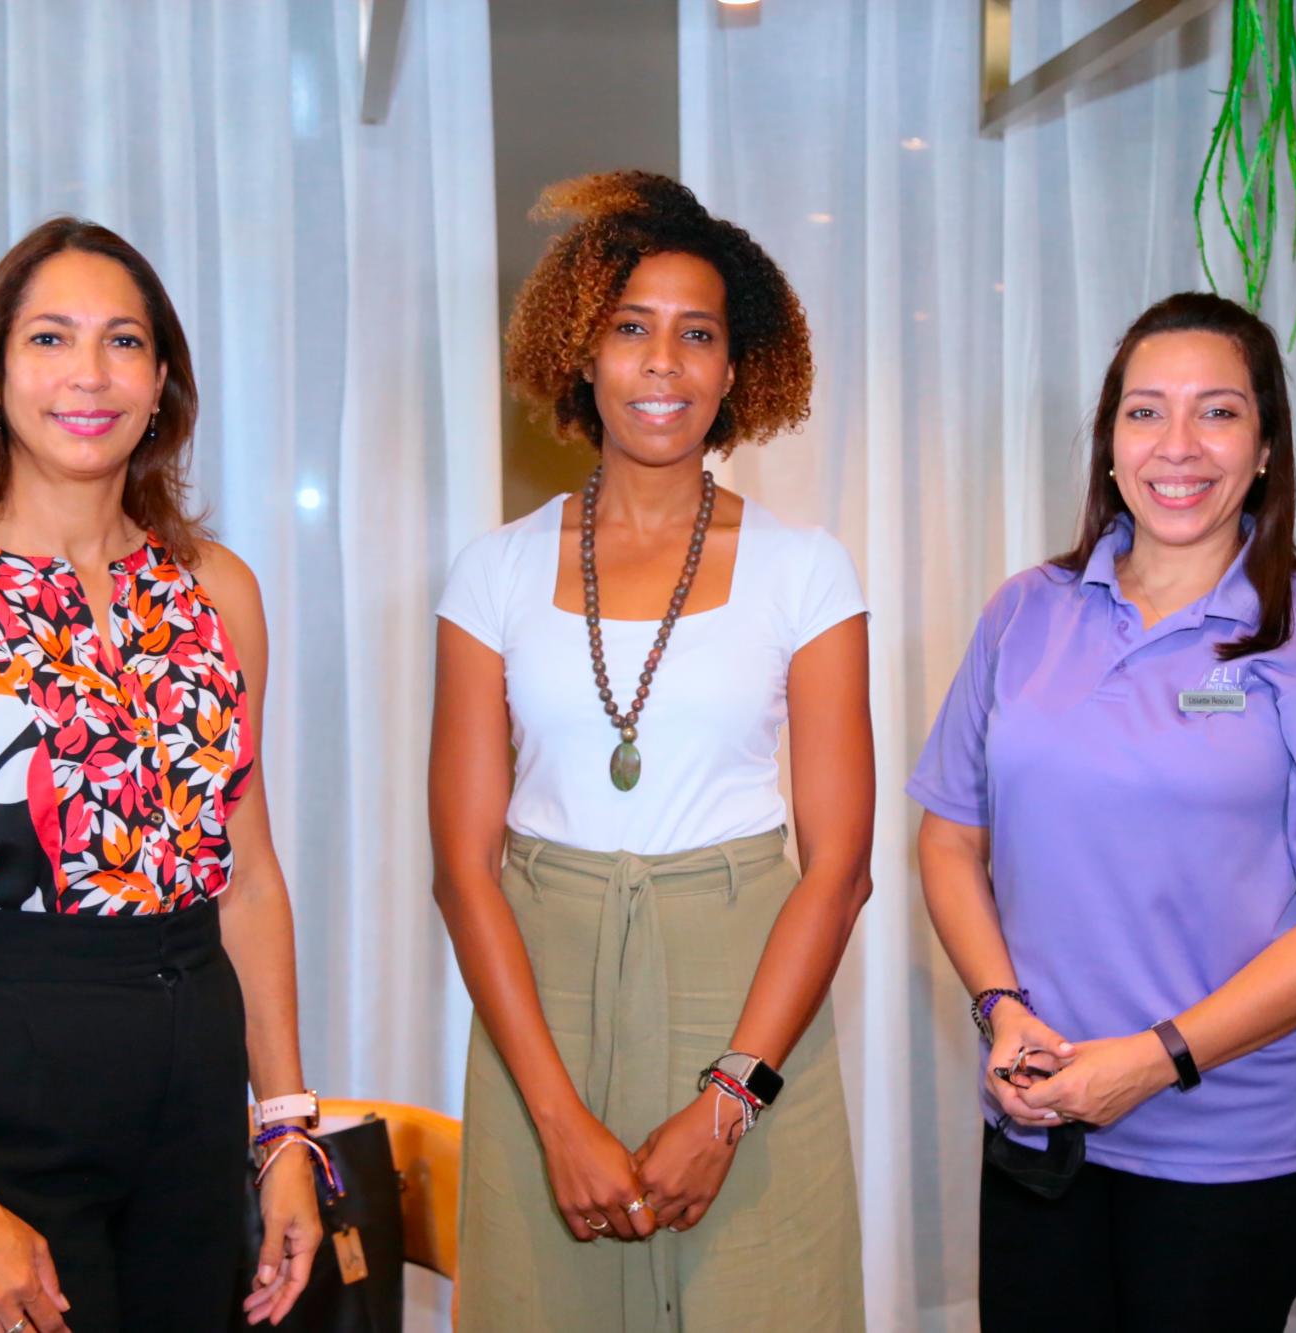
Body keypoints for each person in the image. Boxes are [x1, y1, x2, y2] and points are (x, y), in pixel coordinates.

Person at [0, 217, 322, 1332]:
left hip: (191, 1100)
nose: (88, 373)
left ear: (161, 378)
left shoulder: (215, 589)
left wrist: (283, 1129)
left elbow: (248, 878)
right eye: (49, 338)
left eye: (122, 341)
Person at [910, 292, 1296, 1332]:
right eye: (1144, 412)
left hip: (1231, 1138)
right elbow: (950, 836)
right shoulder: (1024, 611)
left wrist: (1153, 1058)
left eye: (1217, 411)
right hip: (1038, 1114)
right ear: (1106, 444)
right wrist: (1000, 1010)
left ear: (1266, 445)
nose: (1176, 446)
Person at [430, 171, 873, 1331]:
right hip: (543, 998)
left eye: (695, 335)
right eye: (631, 329)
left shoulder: (806, 570)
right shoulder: (492, 572)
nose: (662, 364)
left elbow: (839, 865)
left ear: (736, 370)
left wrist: (729, 1099)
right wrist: (556, 1118)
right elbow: (464, 867)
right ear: (582, 352)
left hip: (748, 993)